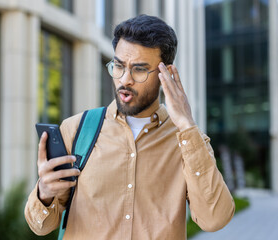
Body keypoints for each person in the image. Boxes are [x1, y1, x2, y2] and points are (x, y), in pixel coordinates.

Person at [25, 14, 235, 240]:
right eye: (118, 66)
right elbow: (41, 226)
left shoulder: (188, 142)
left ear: (166, 74)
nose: (125, 80)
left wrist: (186, 124)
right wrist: (44, 193)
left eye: (139, 69)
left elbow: (214, 219)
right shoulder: (76, 129)